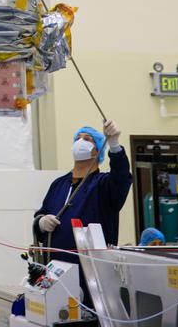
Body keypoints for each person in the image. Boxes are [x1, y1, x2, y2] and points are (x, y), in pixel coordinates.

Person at [33, 119, 131, 305]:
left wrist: (114, 144)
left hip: (92, 277)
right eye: (77, 138)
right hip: (55, 273)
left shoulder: (104, 185)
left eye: (87, 139)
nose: (80, 141)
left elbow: (121, 177)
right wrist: (41, 222)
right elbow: (40, 216)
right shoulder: (59, 185)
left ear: (98, 150)